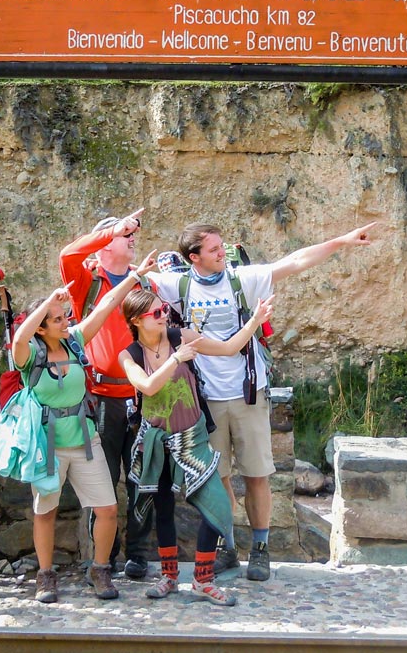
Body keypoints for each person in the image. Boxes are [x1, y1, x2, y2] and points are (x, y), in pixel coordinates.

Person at [147, 220, 382, 581]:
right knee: (217, 478)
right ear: (193, 257)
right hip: (205, 399)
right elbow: (125, 288)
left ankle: (260, 548)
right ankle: (226, 546)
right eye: (213, 250)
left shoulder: (243, 279)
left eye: (221, 246)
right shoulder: (176, 284)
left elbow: (296, 261)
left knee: (257, 475)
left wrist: (343, 240)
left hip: (247, 393)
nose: (222, 253)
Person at [12, 250, 158, 604]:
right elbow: (19, 338)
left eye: (66, 317)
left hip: (84, 437)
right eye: (58, 319)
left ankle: (100, 568)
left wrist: (133, 277)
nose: (66, 322)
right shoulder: (28, 354)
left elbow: (106, 304)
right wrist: (47, 301)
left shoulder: (75, 340)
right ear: (41, 326)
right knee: (45, 511)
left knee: (107, 508)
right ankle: (46, 576)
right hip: (48, 442)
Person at [118, 286, 275, 606]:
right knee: (163, 508)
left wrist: (255, 321)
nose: (163, 316)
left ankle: (202, 579)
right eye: (155, 313)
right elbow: (147, 386)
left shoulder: (180, 336)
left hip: (193, 438)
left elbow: (229, 348)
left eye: (163, 309)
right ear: (136, 321)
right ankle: (170, 577)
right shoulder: (130, 355)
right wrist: (176, 359)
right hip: (156, 439)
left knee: (217, 507)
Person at [59, 207, 150, 577]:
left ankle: (140, 555)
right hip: (100, 399)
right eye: (122, 235)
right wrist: (113, 228)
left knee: (143, 478)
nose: (131, 237)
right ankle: (104, 558)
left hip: (143, 396)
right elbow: (68, 254)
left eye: (130, 233)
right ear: (103, 243)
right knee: (103, 483)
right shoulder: (86, 281)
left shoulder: (144, 281)